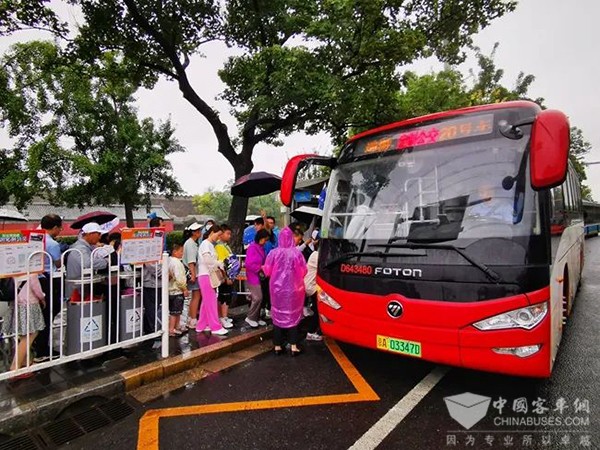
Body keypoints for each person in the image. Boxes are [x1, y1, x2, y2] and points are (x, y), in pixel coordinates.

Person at [262, 227, 308, 356]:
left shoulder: (273, 253)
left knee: (277, 315)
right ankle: (293, 346)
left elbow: (267, 271)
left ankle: (277, 346)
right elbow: (303, 271)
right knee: (293, 317)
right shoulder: (296, 253)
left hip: (277, 290)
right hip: (294, 290)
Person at [2, 274, 46, 376]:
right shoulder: (31, 270)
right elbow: (36, 288)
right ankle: (15, 367)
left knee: (23, 336)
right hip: (29, 304)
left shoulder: (14, 269)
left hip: (17, 303)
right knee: (30, 335)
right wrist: (43, 298)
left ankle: (25, 363)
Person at [33, 214, 63, 363]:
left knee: (40, 314)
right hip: (48, 280)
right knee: (50, 312)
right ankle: (42, 350)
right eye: (60, 228)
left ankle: (35, 344)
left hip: (34, 280)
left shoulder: (34, 239)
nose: (60, 231)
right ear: (55, 227)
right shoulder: (52, 244)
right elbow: (57, 264)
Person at [195, 225, 229, 335]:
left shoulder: (208, 244)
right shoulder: (206, 244)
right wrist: (219, 263)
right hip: (206, 275)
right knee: (211, 301)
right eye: (218, 235)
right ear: (212, 232)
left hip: (206, 275)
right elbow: (207, 260)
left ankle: (202, 325)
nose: (218, 237)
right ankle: (215, 326)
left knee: (206, 302)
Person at [65, 222, 110, 301]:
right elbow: (88, 263)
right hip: (78, 289)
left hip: (80, 287)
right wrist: (106, 261)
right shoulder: (80, 248)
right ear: (90, 234)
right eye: (98, 234)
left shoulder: (84, 246)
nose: (100, 237)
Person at [243, 229, 270, 328]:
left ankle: (256, 317)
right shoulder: (252, 248)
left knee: (260, 298)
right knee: (257, 297)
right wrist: (260, 268)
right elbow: (248, 264)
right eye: (264, 239)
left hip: (259, 275)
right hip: (253, 276)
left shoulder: (260, 247)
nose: (265, 242)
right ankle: (250, 317)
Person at [142, 217, 163, 335]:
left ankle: (153, 328)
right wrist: (161, 273)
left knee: (156, 307)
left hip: (158, 282)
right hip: (150, 282)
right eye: (161, 225)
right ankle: (152, 330)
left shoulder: (158, 241)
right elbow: (149, 263)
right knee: (151, 308)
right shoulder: (148, 241)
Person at [182, 222, 202, 329]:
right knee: (196, 296)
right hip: (194, 273)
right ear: (193, 232)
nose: (200, 232)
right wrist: (193, 275)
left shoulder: (193, 243)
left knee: (196, 296)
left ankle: (192, 318)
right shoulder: (190, 244)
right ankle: (192, 319)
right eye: (198, 231)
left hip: (195, 272)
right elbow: (191, 261)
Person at [215, 224, 235, 329]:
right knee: (224, 296)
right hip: (224, 276)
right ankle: (223, 317)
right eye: (227, 233)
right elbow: (223, 264)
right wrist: (227, 277)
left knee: (227, 296)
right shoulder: (219, 247)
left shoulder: (225, 245)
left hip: (228, 275)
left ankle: (224, 316)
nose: (229, 236)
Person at [168, 243, 189, 336]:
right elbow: (179, 278)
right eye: (181, 251)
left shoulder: (168, 261)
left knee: (175, 311)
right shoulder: (177, 263)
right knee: (175, 312)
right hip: (177, 290)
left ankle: (176, 327)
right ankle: (172, 329)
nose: (182, 253)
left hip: (170, 290)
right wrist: (184, 289)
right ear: (174, 252)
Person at [304, 243, 323, 341]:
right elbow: (325, 267)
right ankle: (310, 332)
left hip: (311, 286)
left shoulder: (315, 254)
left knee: (317, 309)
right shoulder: (316, 256)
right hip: (311, 287)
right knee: (318, 310)